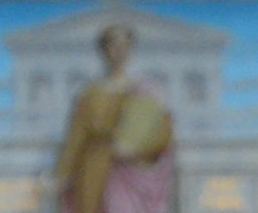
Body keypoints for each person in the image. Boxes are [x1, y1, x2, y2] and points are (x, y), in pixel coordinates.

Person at [53, 25, 175, 213]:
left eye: (124, 46)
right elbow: (76, 137)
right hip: (94, 169)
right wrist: (62, 175)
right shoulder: (90, 94)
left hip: (131, 171)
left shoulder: (144, 90)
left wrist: (136, 150)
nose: (118, 52)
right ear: (104, 50)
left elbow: (162, 133)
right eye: (113, 46)